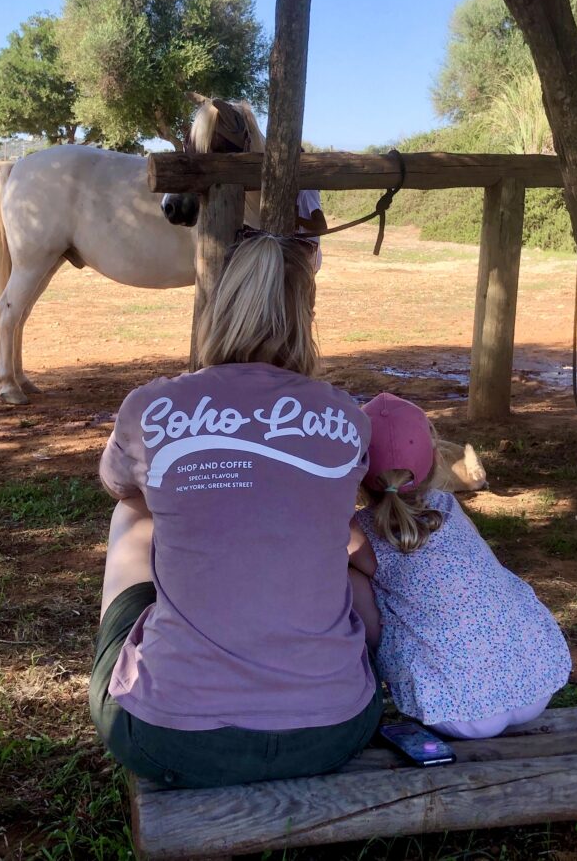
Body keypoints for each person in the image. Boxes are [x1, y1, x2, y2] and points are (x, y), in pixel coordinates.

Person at [90, 232, 382, 788]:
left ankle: (164, 662)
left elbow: (117, 487)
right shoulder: (348, 417)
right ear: (305, 316)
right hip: (335, 727)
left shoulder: (151, 407)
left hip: (165, 735)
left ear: (218, 308)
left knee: (134, 513)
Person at [348, 392, 571, 740]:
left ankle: (378, 677)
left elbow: (329, 544)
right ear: (436, 459)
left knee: (351, 578)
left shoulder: (359, 532)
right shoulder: (448, 507)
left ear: (359, 474)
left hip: (455, 711)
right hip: (535, 683)